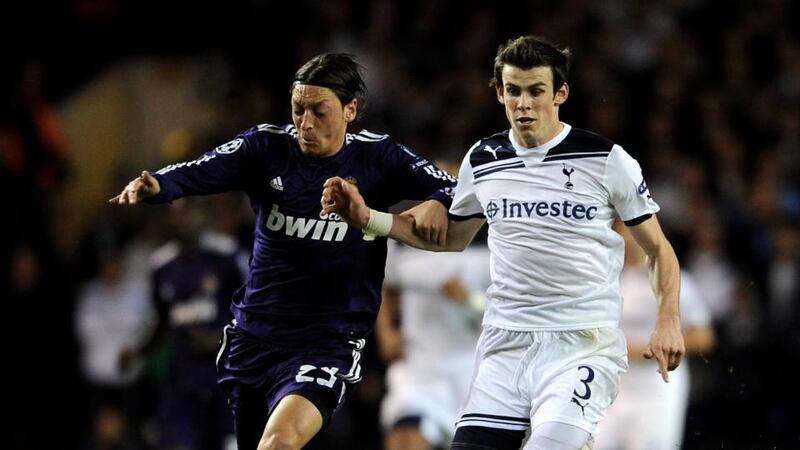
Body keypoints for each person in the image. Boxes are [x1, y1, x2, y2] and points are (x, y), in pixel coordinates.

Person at [322, 35, 685, 450]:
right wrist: (368, 218)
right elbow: (450, 240)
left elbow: (660, 250)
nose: (524, 104)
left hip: (579, 346)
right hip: (504, 347)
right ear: (499, 93)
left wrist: (669, 319)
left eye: (536, 91)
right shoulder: (483, 159)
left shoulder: (606, 160)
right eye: (513, 91)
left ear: (560, 93)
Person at [109, 53, 456, 450]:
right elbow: (202, 169)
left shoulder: (379, 157)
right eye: (298, 110)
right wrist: (157, 184)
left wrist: (439, 201)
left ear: (350, 109)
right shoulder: (266, 147)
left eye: (319, 112)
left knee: (279, 443)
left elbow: (452, 187)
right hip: (255, 339)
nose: (305, 123)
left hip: (326, 342)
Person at [378, 161, 491, 450]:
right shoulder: (404, 236)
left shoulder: (493, 242)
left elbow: (512, 312)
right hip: (419, 368)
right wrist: (387, 332)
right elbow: (384, 284)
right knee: (404, 440)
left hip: (472, 372)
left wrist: (470, 300)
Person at [594, 224, 715, 450]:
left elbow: (704, 336)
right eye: (623, 231)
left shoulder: (672, 280)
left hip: (657, 386)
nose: (628, 238)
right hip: (611, 387)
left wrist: (649, 349)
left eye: (633, 230)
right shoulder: (605, 279)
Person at [149, 199, 246, 450]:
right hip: (184, 380)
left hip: (227, 378)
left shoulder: (227, 256)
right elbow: (160, 321)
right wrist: (140, 351)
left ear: (202, 215)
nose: (183, 221)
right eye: (176, 215)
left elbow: (256, 311)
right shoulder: (161, 266)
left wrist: (220, 338)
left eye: (188, 213)